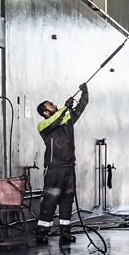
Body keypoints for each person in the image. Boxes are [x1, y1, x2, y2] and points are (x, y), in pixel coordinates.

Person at [34, 83, 89, 245]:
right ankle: (42, 233)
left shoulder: (66, 120)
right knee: (50, 200)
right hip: (54, 169)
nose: (54, 105)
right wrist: (65, 108)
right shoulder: (43, 126)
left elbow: (80, 108)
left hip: (69, 168)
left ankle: (65, 233)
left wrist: (84, 93)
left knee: (67, 200)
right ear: (45, 112)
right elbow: (54, 122)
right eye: (51, 105)